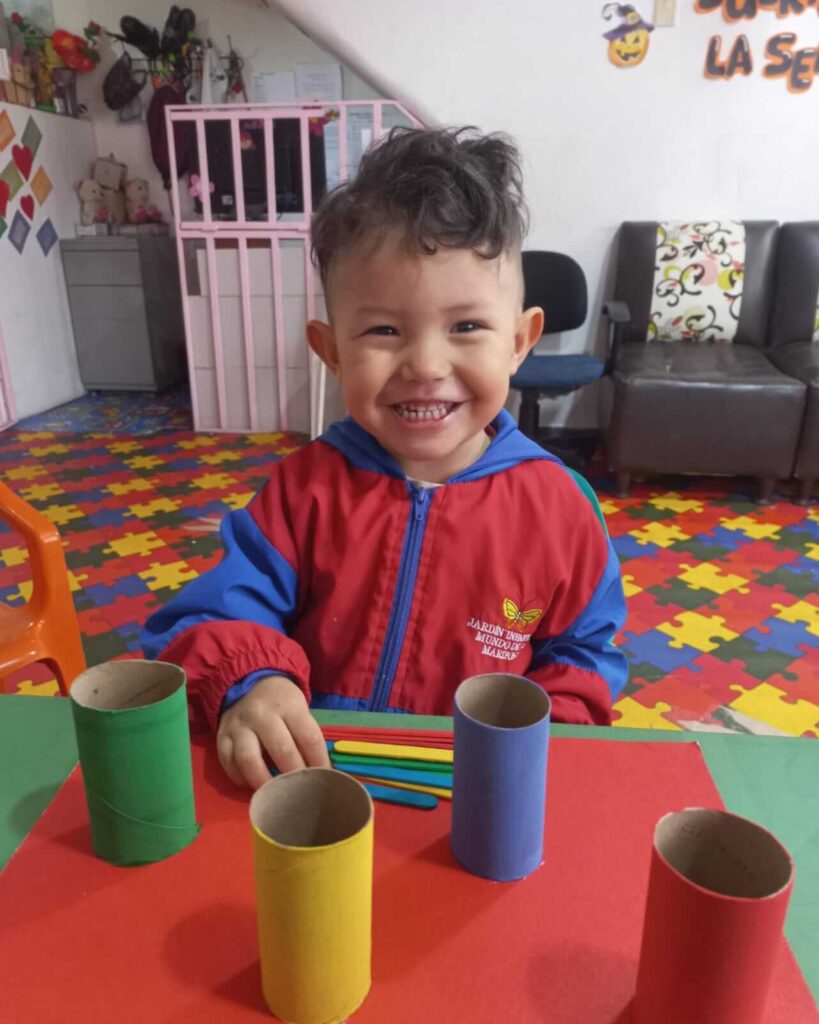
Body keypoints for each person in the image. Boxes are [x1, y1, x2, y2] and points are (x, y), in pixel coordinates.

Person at [141, 126, 627, 789]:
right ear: (331, 351)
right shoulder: (303, 490)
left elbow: (582, 659)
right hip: (315, 785)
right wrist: (253, 684)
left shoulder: (559, 510)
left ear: (519, 341)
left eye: (465, 327)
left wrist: (550, 741)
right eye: (383, 330)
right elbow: (217, 612)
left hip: (475, 795)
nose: (425, 365)